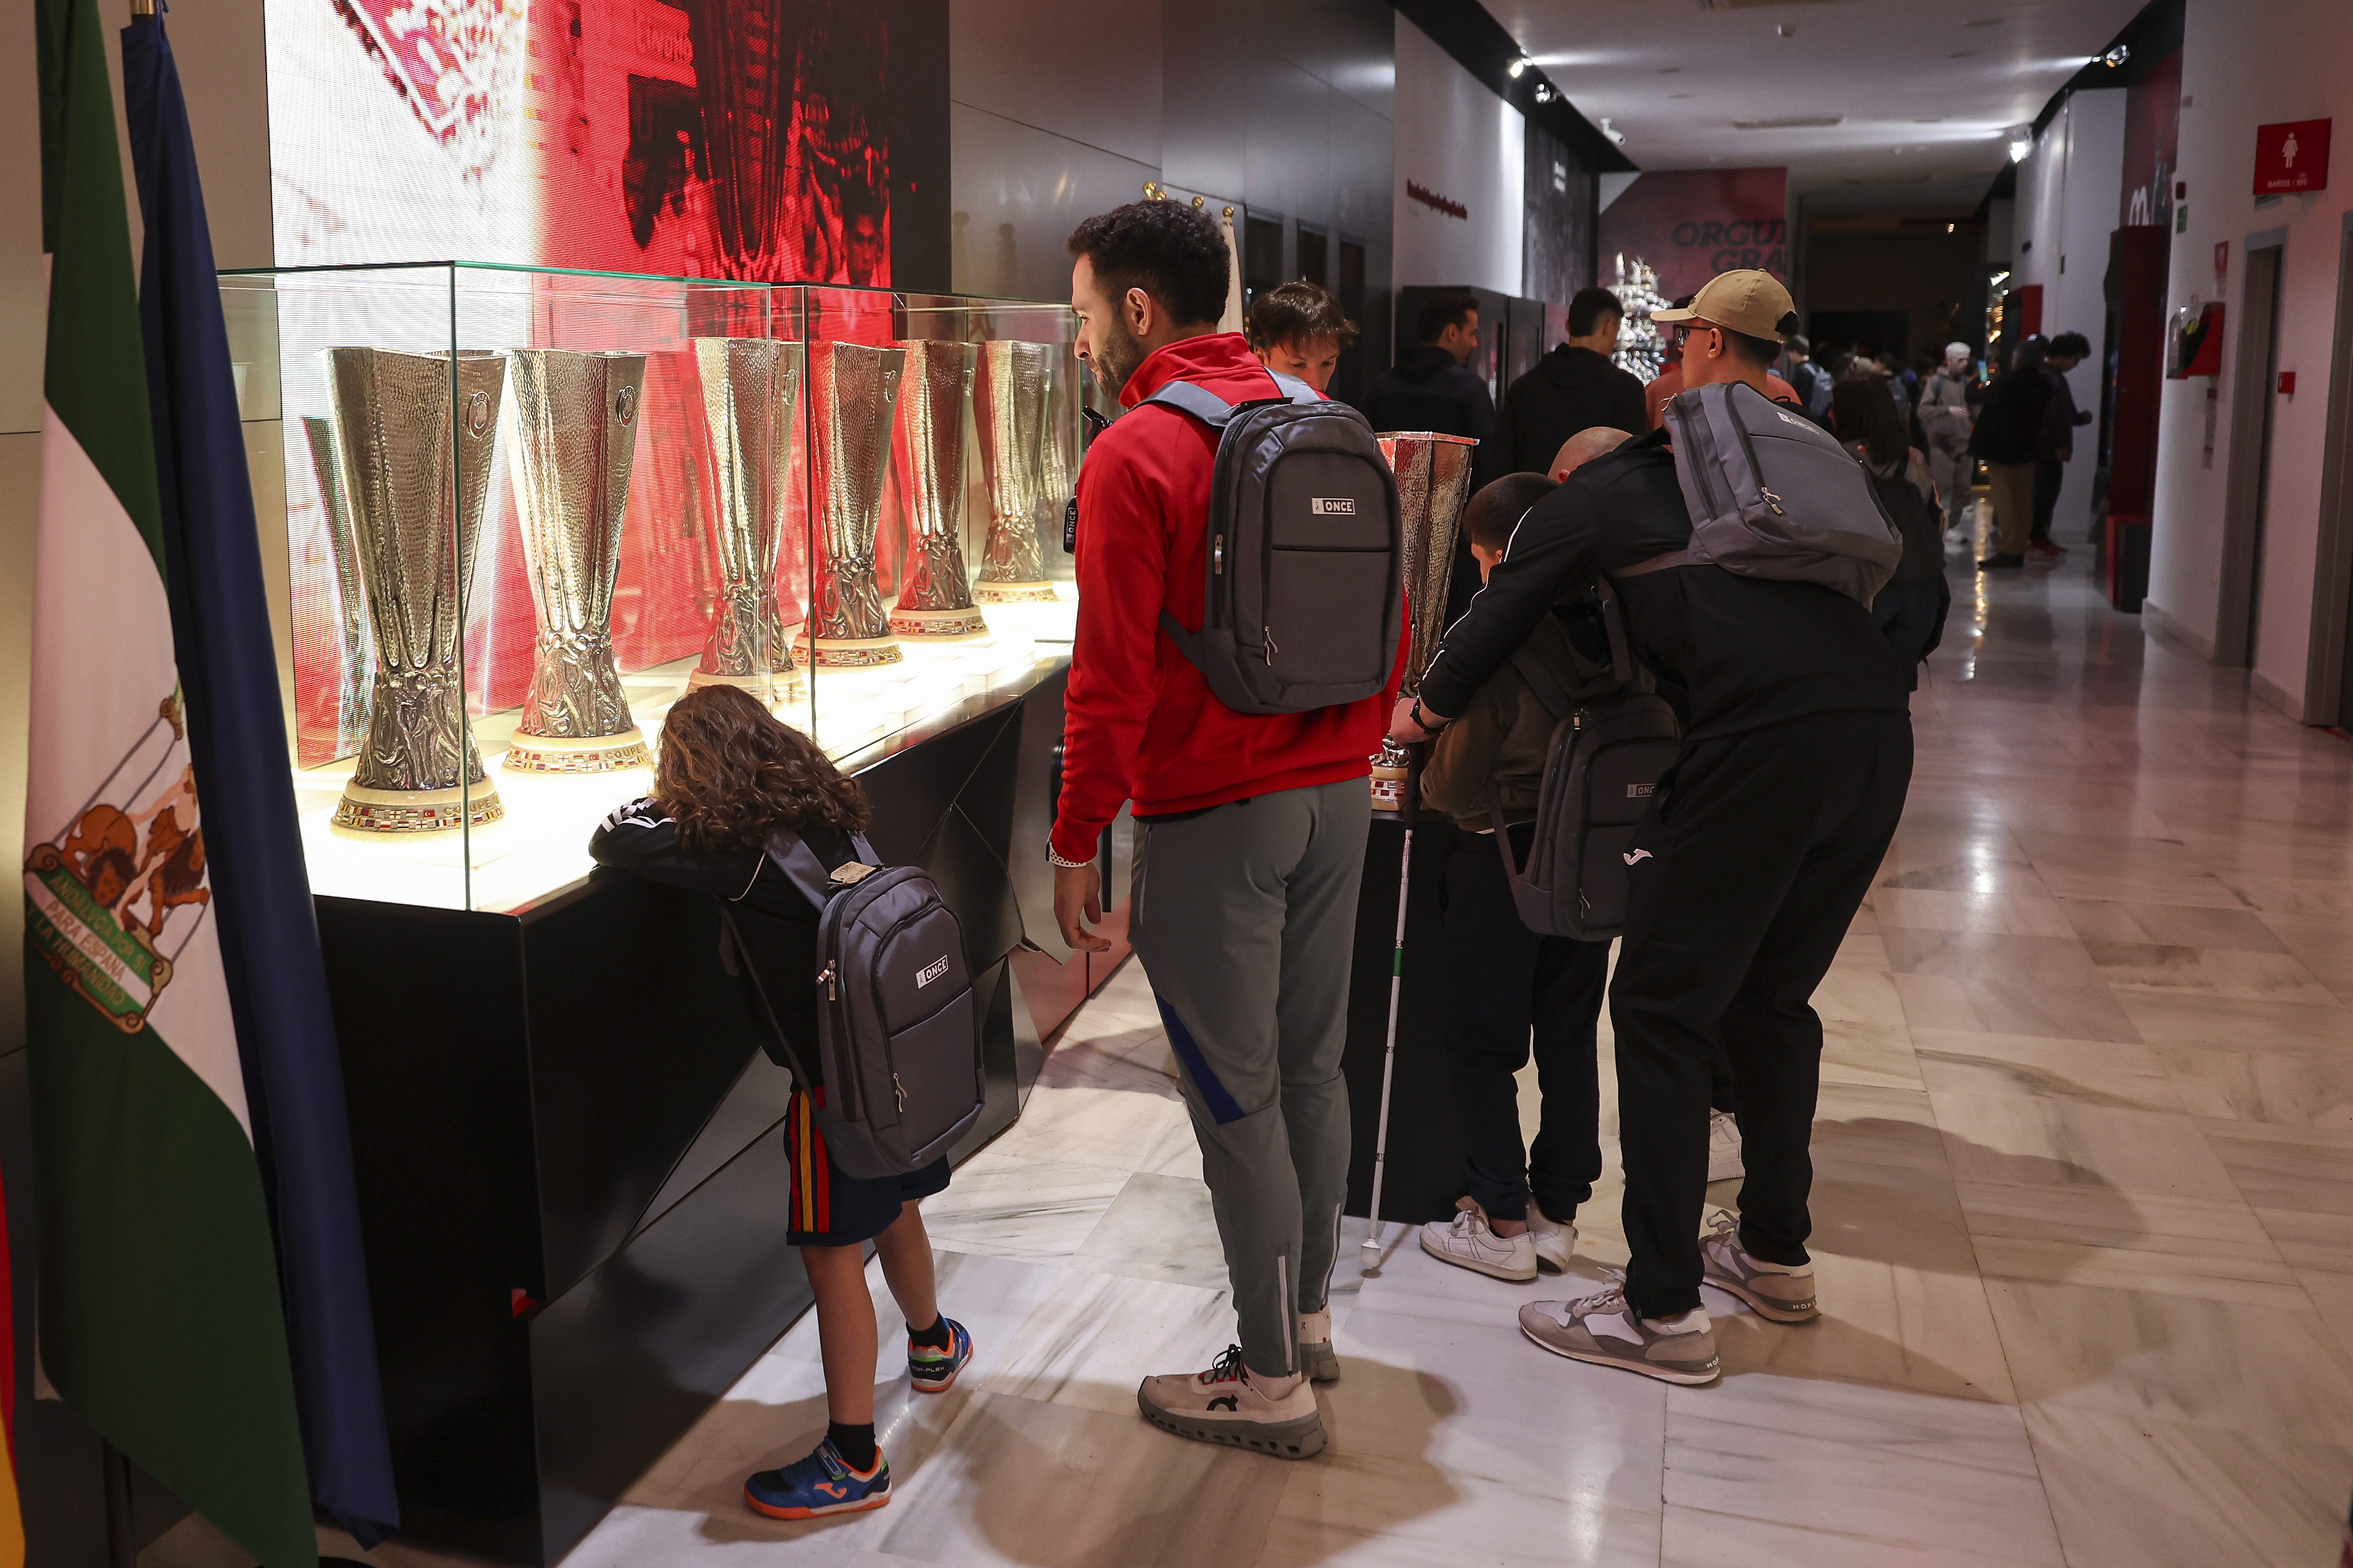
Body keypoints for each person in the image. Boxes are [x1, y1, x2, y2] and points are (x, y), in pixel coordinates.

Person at [1388, 269, 1912, 1386]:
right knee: (1771, 1000)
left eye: (1674, 350)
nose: (1662, 367)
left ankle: (1662, 1308)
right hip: (1874, 736)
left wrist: (1417, 716)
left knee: (1664, 1007)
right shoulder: (1802, 466)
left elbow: (1495, 615)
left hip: (1761, 745)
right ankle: (1774, 1251)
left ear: (1711, 348)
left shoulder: (1614, 482)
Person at [1052, 201, 1404, 1457]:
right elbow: (1389, 629)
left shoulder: (1133, 452)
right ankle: (1306, 1323)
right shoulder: (1331, 427)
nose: (1083, 335)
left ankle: (1265, 1384)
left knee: (1230, 1098)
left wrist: (1076, 830)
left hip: (1214, 811)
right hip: (1336, 796)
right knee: (1313, 1068)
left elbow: (1106, 680)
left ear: (1138, 310)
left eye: (1087, 310)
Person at [588, 686, 974, 1519]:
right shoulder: (833, 813)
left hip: (833, 1089)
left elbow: (612, 835)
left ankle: (854, 1458)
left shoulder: (734, 852)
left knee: (831, 1258)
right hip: (896, 1066)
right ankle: (934, 1341)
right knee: (896, 1202)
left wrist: (668, 799)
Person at [1414, 471, 1616, 1284]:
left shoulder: (1498, 634)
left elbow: (1454, 787)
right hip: (1591, 854)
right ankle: (1558, 1212)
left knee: (1481, 1040)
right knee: (1570, 1035)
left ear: (1498, 554)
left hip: (1501, 854)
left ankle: (1501, 1218)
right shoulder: (1612, 620)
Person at [1834, 376, 1951, 689]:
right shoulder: (1914, 460)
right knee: (1896, 694)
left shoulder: (1832, 458)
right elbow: (1938, 521)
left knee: (1852, 692)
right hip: (1921, 589)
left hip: (1867, 590)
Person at [1487, 285, 1646, 477]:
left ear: (1568, 325)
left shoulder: (1524, 386)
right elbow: (1630, 467)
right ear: (1609, 326)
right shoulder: (1626, 389)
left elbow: (1500, 463)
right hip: (1594, 505)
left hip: (1531, 503)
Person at [1644, 295, 1801, 429]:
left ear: (1714, 342)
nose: (1681, 347)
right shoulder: (1786, 394)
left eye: (1683, 333)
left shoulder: (1660, 390)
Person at [1363, 291, 1495, 445]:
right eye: (1472, 333)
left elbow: (1368, 448)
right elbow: (1487, 457)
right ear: (1452, 333)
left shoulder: (1381, 386)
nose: (1475, 344)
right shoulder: (1471, 389)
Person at [1968, 335, 2052, 569]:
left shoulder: (2007, 383)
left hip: (2002, 449)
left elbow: (1983, 404)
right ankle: (2018, 547)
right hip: (2028, 449)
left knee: (2005, 500)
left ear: (2017, 359)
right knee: (2024, 499)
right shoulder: (2043, 384)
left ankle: (2009, 549)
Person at [2031, 331, 2096, 558]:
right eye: (2075, 359)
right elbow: (2050, 416)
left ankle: (2039, 535)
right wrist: (2059, 443)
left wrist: (2077, 419)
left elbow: (2061, 414)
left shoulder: (2052, 376)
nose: (2076, 365)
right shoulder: (2050, 378)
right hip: (2047, 450)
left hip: (2046, 449)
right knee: (2045, 492)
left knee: (2047, 492)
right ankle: (2037, 536)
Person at [1248, 279, 1357, 395]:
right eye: (1298, 365)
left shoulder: (1334, 411)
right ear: (1261, 358)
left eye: (1328, 363)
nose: (1316, 384)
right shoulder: (1235, 410)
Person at [1918, 342, 1978, 544]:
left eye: (1966, 360)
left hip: (1964, 443)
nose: (1963, 364)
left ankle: (1951, 526)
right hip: (1941, 443)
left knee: (1964, 490)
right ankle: (1938, 527)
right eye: (1959, 359)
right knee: (1942, 487)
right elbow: (1923, 410)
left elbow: (1975, 410)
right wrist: (1947, 410)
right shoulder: (1936, 382)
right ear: (1950, 360)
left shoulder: (1968, 383)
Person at [1783, 333, 1831, 420]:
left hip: (1807, 417)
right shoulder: (1818, 368)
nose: (1790, 358)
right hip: (1821, 415)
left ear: (1794, 351)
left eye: (1789, 354)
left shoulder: (1802, 371)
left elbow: (1798, 399)